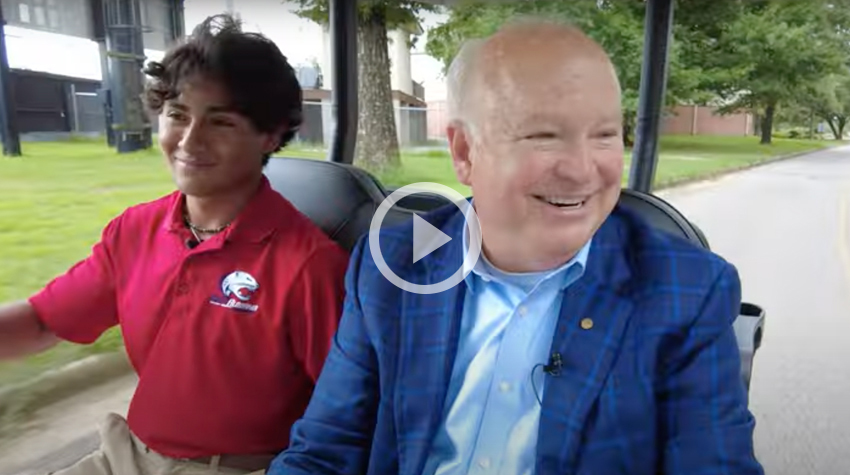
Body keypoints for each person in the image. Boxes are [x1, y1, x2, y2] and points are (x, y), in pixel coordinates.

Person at [268, 18, 764, 475]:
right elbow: (326, 450)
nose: (581, 169)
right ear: (465, 152)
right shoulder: (394, 264)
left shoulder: (687, 290)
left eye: (606, 136)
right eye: (544, 137)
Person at [0, 14, 349, 475]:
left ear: (270, 134)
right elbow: (46, 322)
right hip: (125, 455)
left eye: (219, 122)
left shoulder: (310, 267)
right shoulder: (134, 231)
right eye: (177, 116)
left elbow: (348, 414)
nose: (189, 141)